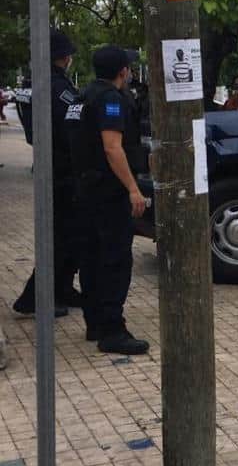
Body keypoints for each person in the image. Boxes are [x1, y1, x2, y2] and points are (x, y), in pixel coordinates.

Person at [68, 45, 149, 355]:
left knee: (91, 258)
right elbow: (112, 147)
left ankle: (96, 323)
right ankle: (112, 330)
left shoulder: (81, 96)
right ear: (122, 71)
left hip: (85, 190)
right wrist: (132, 188)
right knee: (114, 260)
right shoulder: (110, 99)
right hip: (107, 193)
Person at [11, 31, 85, 318]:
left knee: (69, 234)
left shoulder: (32, 85)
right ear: (64, 57)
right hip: (63, 168)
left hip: (49, 164)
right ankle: (34, 297)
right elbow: (72, 123)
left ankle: (62, 289)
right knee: (61, 236)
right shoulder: (55, 86)